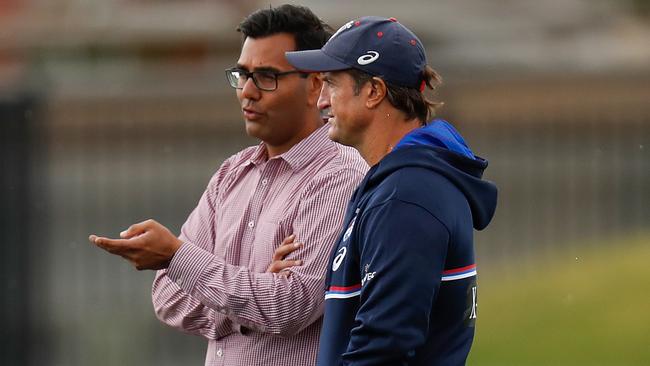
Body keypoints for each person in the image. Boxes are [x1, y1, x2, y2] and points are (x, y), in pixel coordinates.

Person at [88, 5, 367, 366]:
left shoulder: (338, 175)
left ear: (315, 84)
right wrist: (251, 297)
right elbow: (168, 299)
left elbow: (290, 306)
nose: (247, 92)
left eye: (267, 76)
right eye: (242, 74)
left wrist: (178, 258)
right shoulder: (232, 174)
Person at [283, 16, 498, 365]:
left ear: (373, 92)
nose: (320, 100)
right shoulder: (402, 184)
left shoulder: (406, 196)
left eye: (332, 84)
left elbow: (384, 347)